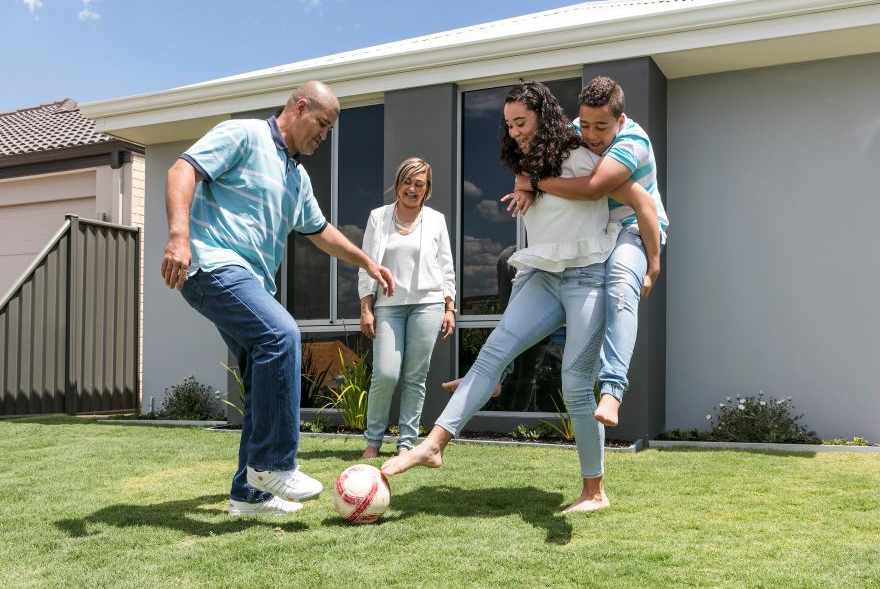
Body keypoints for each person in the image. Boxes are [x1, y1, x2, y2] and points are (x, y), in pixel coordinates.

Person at [382, 82, 659, 513]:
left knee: (574, 384)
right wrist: (527, 180)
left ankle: (594, 491)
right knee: (492, 352)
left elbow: (639, 199)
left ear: (542, 118)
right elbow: (531, 178)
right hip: (544, 275)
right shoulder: (528, 162)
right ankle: (433, 444)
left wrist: (654, 261)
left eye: (521, 123)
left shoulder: (581, 158)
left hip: (587, 276)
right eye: (508, 124)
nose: (514, 132)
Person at [161, 81, 395, 517]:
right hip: (212, 264)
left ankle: (248, 496)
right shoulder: (243, 136)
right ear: (300, 107)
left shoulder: (296, 176)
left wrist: (367, 261)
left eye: (329, 131)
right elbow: (181, 170)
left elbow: (320, 231)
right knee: (281, 334)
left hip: (249, 281)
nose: (323, 137)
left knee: (261, 379)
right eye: (321, 126)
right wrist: (179, 237)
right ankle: (273, 465)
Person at [512, 76, 667, 428]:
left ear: (620, 121)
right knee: (526, 272)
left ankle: (612, 391)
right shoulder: (575, 131)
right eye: (584, 124)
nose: (591, 134)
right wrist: (523, 184)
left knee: (620, 281)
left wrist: (654, 265)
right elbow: (533, 154)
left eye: (601, 126)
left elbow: (594, 188)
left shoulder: (633, 141)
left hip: (634, 230)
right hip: (598, 234)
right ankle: (495, 374)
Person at [358, 158, 456, 458]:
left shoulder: (436, 219)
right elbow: (367, 264)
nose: (412, 188)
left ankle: (405, 444)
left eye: (420, 184)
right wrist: (366, 306)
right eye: (408, 182)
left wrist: (450, 306)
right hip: (389, 305)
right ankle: (373, 441)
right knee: (386, 374)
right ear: (398, 183)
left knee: (415, 376)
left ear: (427, 189)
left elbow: (446, 266)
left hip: (428, 304)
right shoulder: (379, 217)